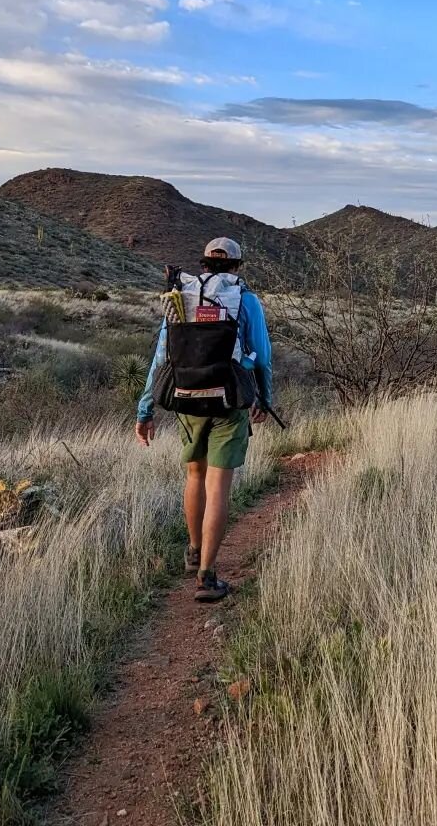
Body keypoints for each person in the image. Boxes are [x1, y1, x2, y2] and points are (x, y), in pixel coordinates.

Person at [134, 237, 273, 603]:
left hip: (185, 399)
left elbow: (161, 358)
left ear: (204, 264)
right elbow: (262, 358)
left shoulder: (181, 297)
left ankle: (194, 549)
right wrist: (264, 398)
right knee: (219, 486)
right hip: (228, 400)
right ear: (238, 267)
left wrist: (145, 409)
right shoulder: (246, 300)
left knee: (194, 475)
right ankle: (207, 577)